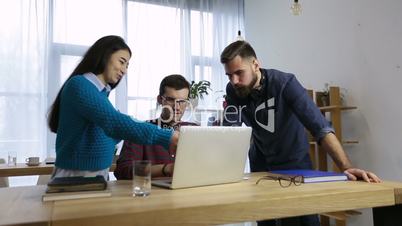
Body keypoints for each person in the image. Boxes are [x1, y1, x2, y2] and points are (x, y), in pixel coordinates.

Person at [220, 40, 381, 226]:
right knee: (265, 220)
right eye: (229, 75)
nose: (234, 81)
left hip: (294, 164)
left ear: (256, 64)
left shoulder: (286, 84)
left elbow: (320, 128)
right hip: (261, 165)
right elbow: (229, 132)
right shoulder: (233, 90)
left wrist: (346, 166)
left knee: (302, 220)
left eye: (239, 73)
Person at [47, 35, 178, 180]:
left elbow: (111, 127)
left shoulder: (100, 94)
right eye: (122, 62)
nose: (124, 70)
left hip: (96, 175)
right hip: (76, 176)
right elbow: (114, 122)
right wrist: (167, 136)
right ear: (104, 56)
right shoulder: (80, 85)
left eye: (127, 65)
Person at [114, 74, 197, 179]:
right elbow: (123, 171)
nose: (177, 107)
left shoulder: (195, 130)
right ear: (159, 100)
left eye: (182, 101)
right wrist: (165, 169)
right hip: (154, 194)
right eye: (171, 100)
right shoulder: (139, 129)